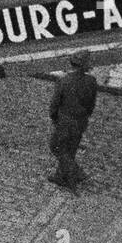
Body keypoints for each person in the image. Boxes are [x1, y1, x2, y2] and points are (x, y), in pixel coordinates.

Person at [48, 50, 99, 192]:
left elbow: (55, 104)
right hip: (81, 120)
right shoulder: (91, 81)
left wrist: (54, 117)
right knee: (71, 149)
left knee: (56, 146)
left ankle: (76, 172)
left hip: (65, 120)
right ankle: (60, 176)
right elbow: (91, 104)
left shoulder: (64, 81)